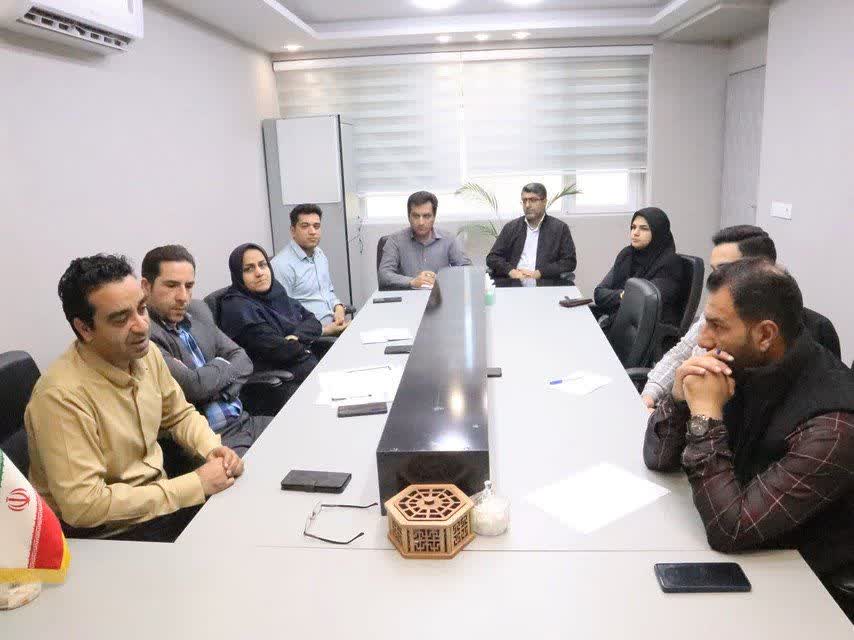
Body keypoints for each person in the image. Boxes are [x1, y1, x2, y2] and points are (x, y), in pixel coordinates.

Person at [643, 259, 854, 618]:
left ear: (765, 335)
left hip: (802, 590)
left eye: (716, 325)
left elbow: (732, 530)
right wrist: (678, 400)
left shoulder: (833, 426)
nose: (703, 339)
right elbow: (659, 459)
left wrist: (704, 416)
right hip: (741, 552)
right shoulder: (741, 363)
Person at [25, 254, 242, 542]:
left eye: (141, 309)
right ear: (85, 328)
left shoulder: (144, 354)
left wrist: (212, 449)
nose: (141, 326)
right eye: (121, 319)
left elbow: (178, 414)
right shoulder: (60, 397)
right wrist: (195, 484)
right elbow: (84, 506)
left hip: (161, 505)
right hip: (110, 534)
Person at [641, 225, 841, 409]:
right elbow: (681, 352)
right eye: (714, 271)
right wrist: (651, 397)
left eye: (726, 270)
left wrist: (702, 415)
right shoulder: (717, 313)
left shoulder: (809, 334)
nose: (715, 280)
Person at [142, 245, 272, 458]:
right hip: (212, 442)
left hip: (244, 421)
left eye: (189, 286)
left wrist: (216, 386)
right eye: (172, 285)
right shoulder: (143, 334)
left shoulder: (198, 310)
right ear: (146, 286)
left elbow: (243, 359)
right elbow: (194, 387)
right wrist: (223, 364)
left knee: (306, 434)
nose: (183, 297)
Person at [218, 243, 320, 396]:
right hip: (277, 385)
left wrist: (296, 336)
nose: (259, 273)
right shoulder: (237, 308)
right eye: (249, 269)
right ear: (238, 275)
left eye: (263, 265)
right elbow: (281, 350)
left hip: (305, 368)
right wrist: (303, 342)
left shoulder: (276, 292)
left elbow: (313, 322)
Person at [593, 207, 683, 325]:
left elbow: (643, 301)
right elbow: (599, 293)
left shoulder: (670, 263)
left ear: (658, 232)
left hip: (641, 328)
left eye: (644, 228)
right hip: (617, 320)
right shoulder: (626, 255)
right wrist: (622, 295)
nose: (635, 233)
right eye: (633, 227)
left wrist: (619, 297)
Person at [270, 204, 350, 337]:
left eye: (316, 226)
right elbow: (284, 316)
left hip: (334, 326)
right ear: (293, 231)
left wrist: (339, 307)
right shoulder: (282, 265)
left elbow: (328, 291)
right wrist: (324, 330)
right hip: (314, 338)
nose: (312, 231)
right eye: (305, 226)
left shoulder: (319, 255)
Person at [378, 190, 472, 290]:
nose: (421, 222)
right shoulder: (395, 240)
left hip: (441, 294)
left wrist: (443, 280)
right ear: (409, 216)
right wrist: (412, 282)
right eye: (416, 216)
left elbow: (467, 271)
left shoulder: (449, 239)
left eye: (426, 216)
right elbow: (384, 275)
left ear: (434, 217)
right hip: (407, 295)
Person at [486, 183, 577, 281]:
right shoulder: (511, 227)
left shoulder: (560, 228)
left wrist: (540, 273)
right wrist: (512, 272)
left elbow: (569, 262)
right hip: (514, 282)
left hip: (545, 282)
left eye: (533, 200)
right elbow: (492, 257)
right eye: (524, 201)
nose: (527, 205)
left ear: (544, 202)